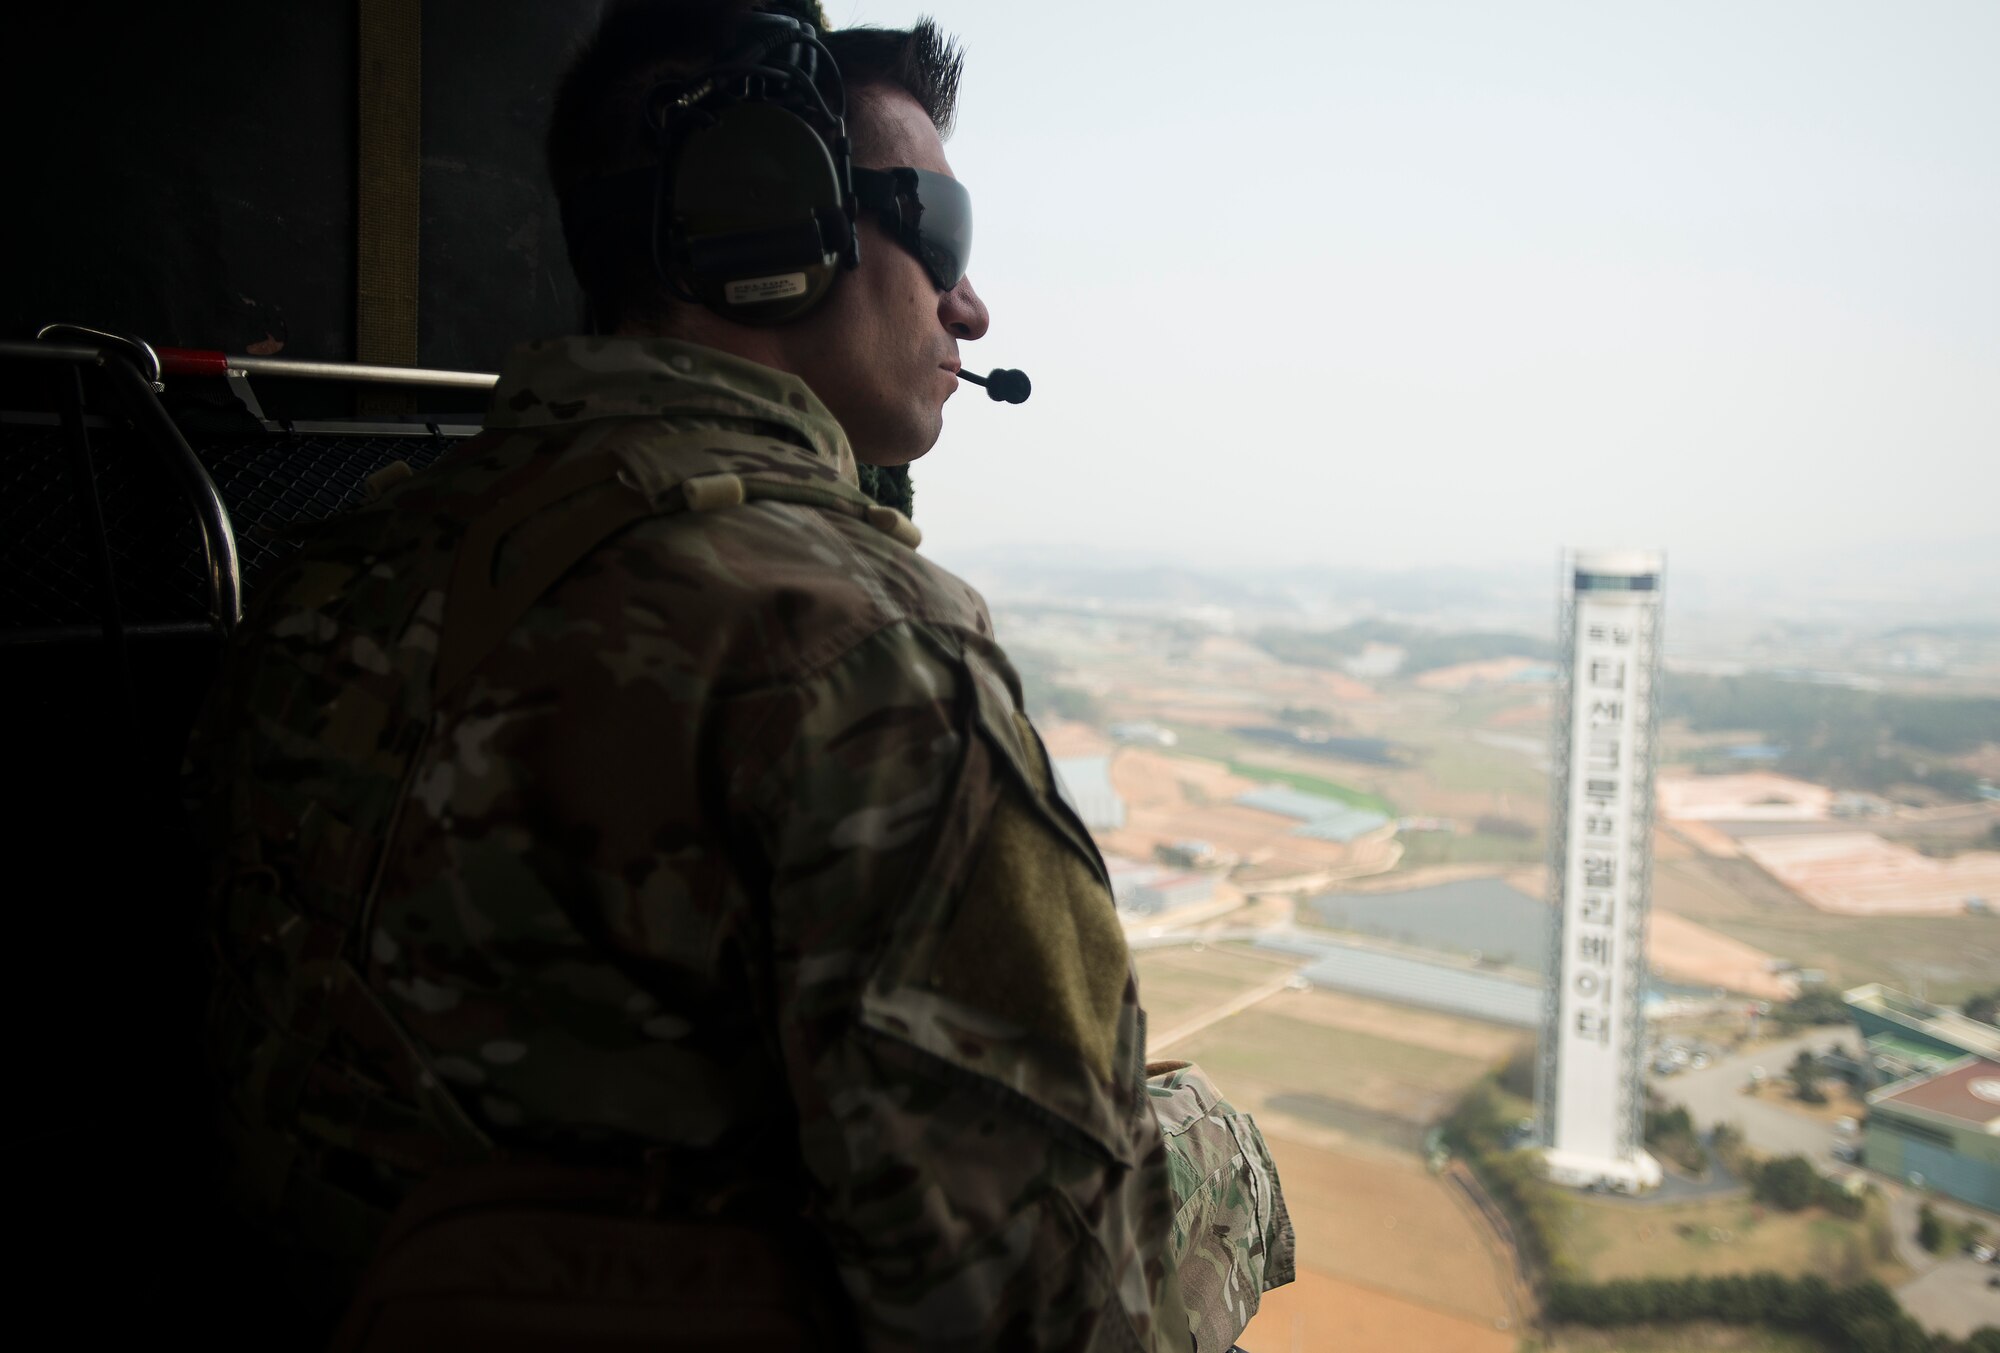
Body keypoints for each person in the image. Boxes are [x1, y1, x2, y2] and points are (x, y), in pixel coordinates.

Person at [187, 2, 1292, 1348]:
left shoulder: (321, 571)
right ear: (773, 222)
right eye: (938, 230)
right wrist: (1225, 1169)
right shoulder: (859, 653)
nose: (971, 300)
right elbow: (1058, 1323)